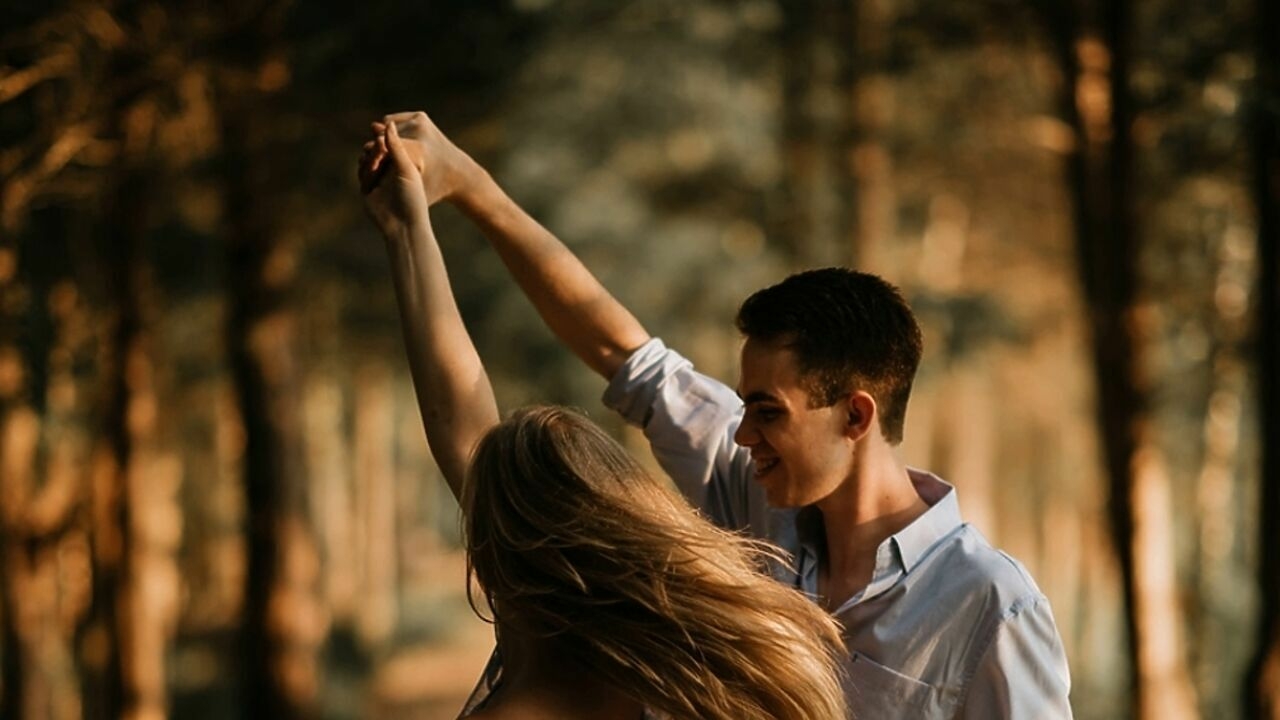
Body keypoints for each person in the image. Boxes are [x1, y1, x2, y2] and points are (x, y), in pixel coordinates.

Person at [366, 110, 1076, 719]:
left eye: (767, 412)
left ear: (856, 417)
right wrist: (465, 190)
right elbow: (620, 351)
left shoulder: (991, 607)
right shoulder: (748, 505)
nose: (742, 433)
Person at [359, 120, 850, 720]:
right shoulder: (718, 670)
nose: (749, 433)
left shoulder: (533, 658)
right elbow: (477, 420)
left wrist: (410, 230)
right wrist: (416, 223)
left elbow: (463, 426)